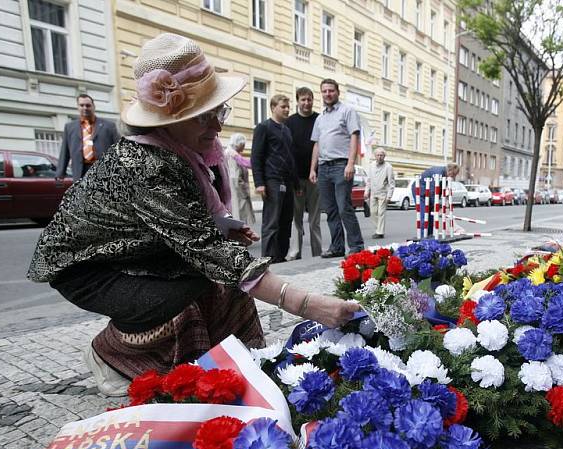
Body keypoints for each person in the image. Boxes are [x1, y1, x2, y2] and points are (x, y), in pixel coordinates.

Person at [27, 33, 358, 396]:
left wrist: (222, 226)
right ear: (167, 119)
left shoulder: (184, 149)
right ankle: (112, 354)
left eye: (219, 112)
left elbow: (195, 229)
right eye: (205, 117)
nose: (217, 126)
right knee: (190, 295)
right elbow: (212, 254)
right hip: (89, 270)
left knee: (225, 280)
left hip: (135, 253)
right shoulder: (145, 162)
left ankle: (233, 364)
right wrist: (307, 304)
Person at [309, 79, 364, 258]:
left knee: (343, 207)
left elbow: (354, 137)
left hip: (341, 165)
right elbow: (317, 144)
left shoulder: (347, 111)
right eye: (324, 91)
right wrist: (312, 169)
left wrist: (350, 163)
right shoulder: (320, 117)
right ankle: (337, 246)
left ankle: (356, 246)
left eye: (331, 91)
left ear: (337, 92)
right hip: (324, 168)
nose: (327, 94)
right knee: (330, 209)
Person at [252, 94, 296, 263]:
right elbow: (256, 156)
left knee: (286, 220)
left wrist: (296, 184)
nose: (286, 110)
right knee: (271, 221)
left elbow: (290, 158)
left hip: (288, 182)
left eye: (287, 107)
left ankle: (280, 256)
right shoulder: (264, 127)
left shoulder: (286, 130)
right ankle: (268, 257)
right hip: (272, 180)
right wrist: (259, 183)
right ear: (273, 107)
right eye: (283, 107)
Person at [286, 87, 322, 260]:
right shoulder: (290, 122)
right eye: (303, 100)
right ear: (297, 101)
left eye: (309, 99)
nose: (306, 103)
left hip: (315, 176)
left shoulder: (319, 119)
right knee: (296, 218)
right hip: (296, 177)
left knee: (315, 219)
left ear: (313, 100)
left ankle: (317, 252)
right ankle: (295, 252)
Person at [56, 94, 120, 179]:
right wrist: (60, 173)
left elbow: (118, 149)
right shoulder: (70, 127)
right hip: (80, 171)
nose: (85, 108)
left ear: (93, 107)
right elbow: (65, 151)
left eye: (88, 105)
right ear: (78, 107)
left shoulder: (109, 126)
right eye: (81, 105)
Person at [410, 163, 460, 237]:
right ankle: (423, 236)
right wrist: (435, 204)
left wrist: (440, 203)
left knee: (431, 215)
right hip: (420, 191)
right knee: (424, 214)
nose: (453, 177)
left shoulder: (444, 176)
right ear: (450, 171)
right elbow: (433, 190)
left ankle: (429, 235)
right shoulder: (438, 173)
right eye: (453, 175)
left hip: (428, 192)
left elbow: (440, 191)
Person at [224, 133, 256, 226]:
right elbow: (236, 178)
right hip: (239, 194)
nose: (244, 146)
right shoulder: (232, 155)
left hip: (236, 193)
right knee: (240, 219)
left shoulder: (232, 154)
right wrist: (245, 192)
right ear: (238, 144)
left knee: (239, 219)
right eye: (243, 144)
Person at [365, 147, 395, 239]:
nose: (379, 157)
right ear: (375, 156)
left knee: (381, 212)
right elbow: (369, 180)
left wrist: (389, 196)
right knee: (373, 212)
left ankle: (380, 232)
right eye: (378, 155)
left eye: (381, 155)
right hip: (373, 192)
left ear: (384, 156)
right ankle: (378, 229)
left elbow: (391, 183)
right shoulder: (371, 165)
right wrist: (366, 191)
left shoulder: (388, 167)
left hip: (383, 193)